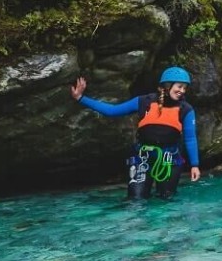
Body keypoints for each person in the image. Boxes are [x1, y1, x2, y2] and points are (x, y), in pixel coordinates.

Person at [70, 66, 202, 200]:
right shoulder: (144, 101)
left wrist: (195, 165)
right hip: (142, 159)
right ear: (167, 85)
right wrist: (81, 98)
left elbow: (190, 139)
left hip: (169, 161)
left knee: (166, 201)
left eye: (185, 88)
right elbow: (112, 111)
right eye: (179, 86)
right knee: (136, 200)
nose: (182, 91)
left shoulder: (186, 109)